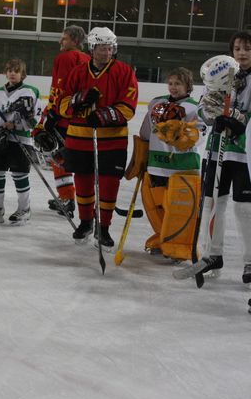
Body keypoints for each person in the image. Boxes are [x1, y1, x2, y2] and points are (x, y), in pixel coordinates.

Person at [57, 27, 139, 249]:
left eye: (110, 48)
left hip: (112, 141)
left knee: (108, 184)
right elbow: (62, 105)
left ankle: (103, 228)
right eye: (102, 48)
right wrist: (79, 99)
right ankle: (85, 222)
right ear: (92, 48)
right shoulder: (77, 72)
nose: (107, 52)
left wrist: (104, 115)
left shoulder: (124, 71)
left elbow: (129, 106)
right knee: (83, 182)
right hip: (78, 138)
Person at [124, 68, 204, 261]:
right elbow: (145, 132)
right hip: (156, 164)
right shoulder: (156, 103)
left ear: (188, 86)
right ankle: (163, 240)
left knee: (178, 208)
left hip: (184, 167)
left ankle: (180, 246)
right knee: (157, 207)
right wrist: (140, 157)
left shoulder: (195, 108)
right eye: (171, 83)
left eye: (178, 84)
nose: (173, 87)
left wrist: (184, 136)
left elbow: (200, 135)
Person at [195, 33, 251, 282]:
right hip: (216, 148)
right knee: (211, 203)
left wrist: (239, 121)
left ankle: (250, 261)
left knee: (244, 207)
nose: (242, 53)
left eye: (247, 48)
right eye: (237, 48)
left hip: (244, 152)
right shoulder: (220, 72)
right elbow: (203, 106)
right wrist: (212, 115)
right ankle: (212, 254)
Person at [35, 25, 90, 219]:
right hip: (82, 119)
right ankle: (78, 200)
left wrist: (52, 114)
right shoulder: (88, 59)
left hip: (63, 117)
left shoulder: (65, 58)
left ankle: (67, 198)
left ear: (75, 41)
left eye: (64, 38)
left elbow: (60, 90)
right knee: (76, 161)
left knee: (58, 158)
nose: (60, 41)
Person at [0, 58, 42, 225]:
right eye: (9, 70)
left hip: (20, 139)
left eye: (16, 71)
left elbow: (37, 116)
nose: (12, 73)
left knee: (19, 174)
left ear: (23, 74)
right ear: (5, 73)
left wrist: (16, 124)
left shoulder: (31, 91)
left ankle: (24, 209)